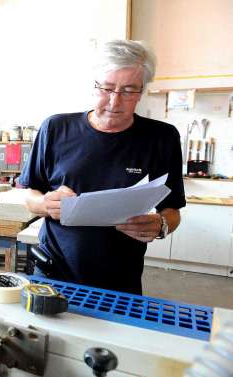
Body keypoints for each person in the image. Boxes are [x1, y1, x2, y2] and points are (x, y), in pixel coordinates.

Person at [19, 39, 185, 295]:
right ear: (94, 85)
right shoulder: (55, 128)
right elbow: (30, 196)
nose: (114, 102)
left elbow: (172, 209)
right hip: (53, 272)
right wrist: (46, 205)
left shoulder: (161, 138)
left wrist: (160, 225)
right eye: (106, 88)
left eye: (129, 91)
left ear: (142, 91)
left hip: (121, 278)